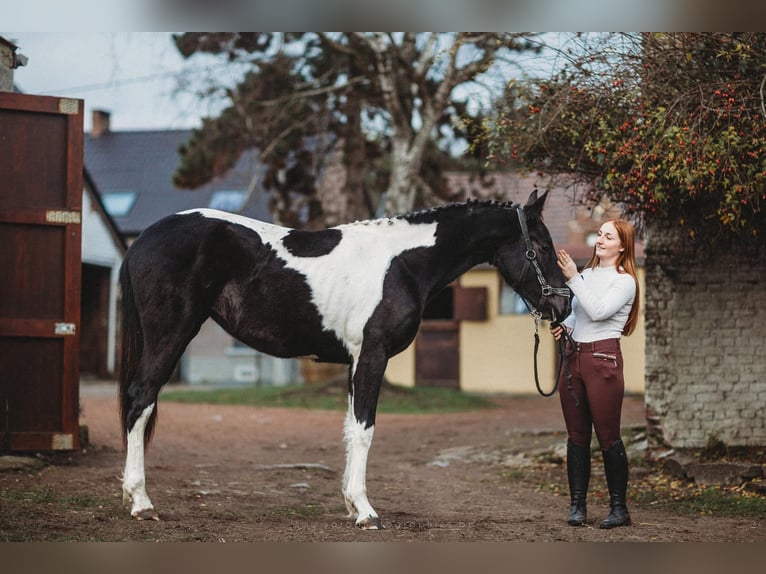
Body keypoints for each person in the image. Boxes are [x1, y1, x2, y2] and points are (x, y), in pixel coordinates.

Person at [551, 219, 639, 529]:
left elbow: (600, 310)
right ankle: (578, 506)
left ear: (622, 246)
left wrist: (574, 279)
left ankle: (619, 508)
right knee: (576, 437)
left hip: (603, 361)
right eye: (599, 234)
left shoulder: (624, 280)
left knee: (607, 436)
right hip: (574, 358)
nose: (600, 239)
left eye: (608, 236)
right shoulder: (587, 274)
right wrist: (566, 325)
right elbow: (579, 313)